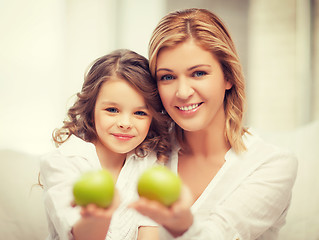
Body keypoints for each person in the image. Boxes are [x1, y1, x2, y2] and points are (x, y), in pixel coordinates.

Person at [130, 8, 298, 240]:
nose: (182, 92)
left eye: (198, 73)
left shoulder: (272, 165)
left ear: (228, 76)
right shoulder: (144, 151)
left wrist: (182, 225)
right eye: (167, 77)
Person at [40, 49, 170, 240]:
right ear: (91, 109)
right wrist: (103, 211)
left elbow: (149, 229)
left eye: (140, 113)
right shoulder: (63, 162)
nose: (125, 123)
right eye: (112, 109)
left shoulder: (150, 161)